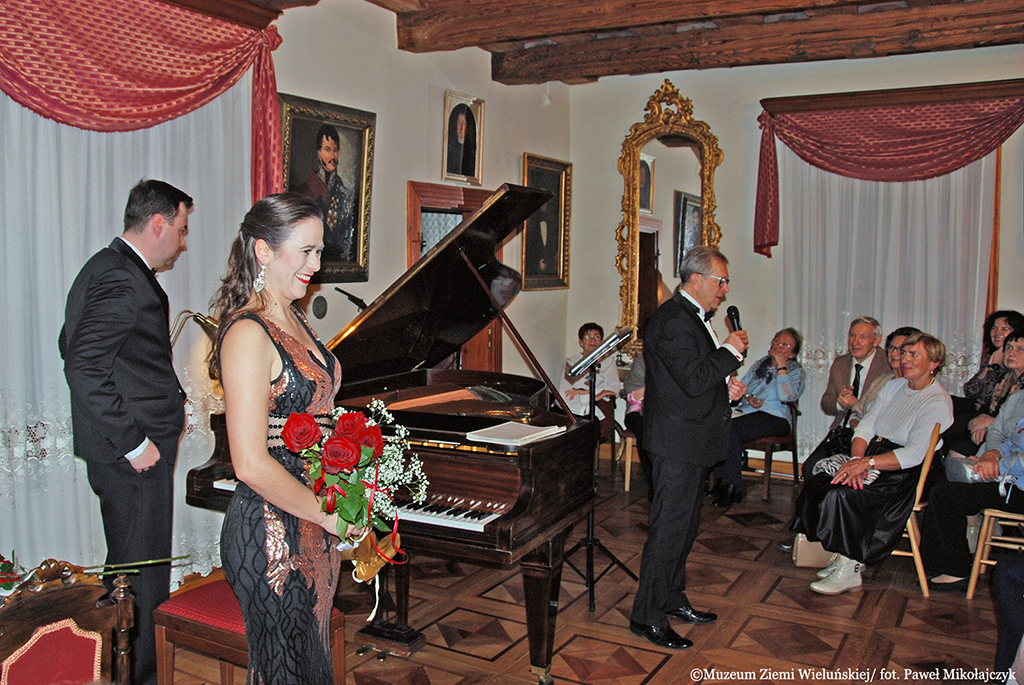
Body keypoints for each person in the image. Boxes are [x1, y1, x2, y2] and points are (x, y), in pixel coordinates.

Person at [208, 194, 359, 683]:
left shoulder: (295, 317)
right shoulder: (248, 333)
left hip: (311, 522)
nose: (316, 265)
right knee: (286, 671)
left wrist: (347, 489)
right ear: (264, 250)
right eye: (306, 251)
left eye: (320, 252)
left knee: (311, 663)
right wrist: (328, 515)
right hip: (272, 533)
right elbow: (250, 463)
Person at [59, 179, 193, 685]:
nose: (183, 242)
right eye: (181, 229)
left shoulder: (103, 266)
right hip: (133, 457)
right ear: (158, 223)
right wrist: (133, 442)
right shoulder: (122, 277)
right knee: (143, 578)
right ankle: (137, 678)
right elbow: (83, 364)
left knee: (126, 572)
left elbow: (69, 343)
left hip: (122, 453)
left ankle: (114, 671)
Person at [629, 246, 748, 649]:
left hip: (692, 439)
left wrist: (725, 388)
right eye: (721, 281)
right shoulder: (673, 321)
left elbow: (692, 381)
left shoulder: (691, 317)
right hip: (676, 443)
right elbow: (694, 379)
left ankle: (671, 598)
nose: (725, 290)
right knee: (668, 532)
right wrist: (729, 352)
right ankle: (647, 617)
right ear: (696, 279)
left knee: (685, 528)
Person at [793, 332, 953, 595]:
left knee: (846, 494)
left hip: (903, 471)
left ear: (934, 363)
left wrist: (867, 464)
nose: (905, 359)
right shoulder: (893, 386)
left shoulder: (937, 401)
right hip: (873, 455)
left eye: (914, 354)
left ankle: (850, 567)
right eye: (904, 353)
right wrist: (857, 460)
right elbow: (865, 427)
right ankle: (844, 557)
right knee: (822, 480)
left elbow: (914, 454)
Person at [920, 339, 1024, 592]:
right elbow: (1003, 435)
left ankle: (955, 570)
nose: (1013, 352)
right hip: (1007, 478)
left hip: (1017, 486)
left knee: (947, 496)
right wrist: (992, 455)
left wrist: (998, 465)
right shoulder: (1019, 397)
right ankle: (934, 565)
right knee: (942, 488)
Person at [709, 328, 805, 508]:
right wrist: (748, 398)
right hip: (749, 413)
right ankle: (720, 481)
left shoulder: (795, 371)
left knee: (732, 429)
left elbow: (787, 396)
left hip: (776, 417)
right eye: (776, 341)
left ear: (792, 353)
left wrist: (781, 366)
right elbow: (742, 390)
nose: (778, 346)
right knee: (718, 423)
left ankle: (732, 486)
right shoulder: (760, 366)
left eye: (785, 345)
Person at [943, 310, 1024, 455]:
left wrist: (990, 423)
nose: (1012, 353)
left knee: (957, 439)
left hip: (1007, 436)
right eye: (1009, 348)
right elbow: (972, 392)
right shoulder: (1005, 376)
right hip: (986, 417)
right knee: (947, 405)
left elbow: (1013, 422)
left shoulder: (1016, 384)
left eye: (1004, 329)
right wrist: (991, 364)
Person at [819, 316, 890, 433]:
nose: (855, 342)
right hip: (842, 432)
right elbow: (826, 402)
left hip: (873, 433)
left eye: (863, 337)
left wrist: (857, 405)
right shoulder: (840, 363)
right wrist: (840, 403)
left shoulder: (888, 365)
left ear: (876, 341)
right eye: (852, 336)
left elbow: (889, 411)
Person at [303, 123, 356, 264]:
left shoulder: (343, 193)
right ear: (319, 152)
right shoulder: (306, 191)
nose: (332, 156)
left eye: (335, 150)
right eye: (327, 150)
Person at [559, 322, 621, 442]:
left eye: (597, 336)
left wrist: (587, 393)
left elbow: (615, 389)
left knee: (590, 427)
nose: (592, 340)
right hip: (574, 405)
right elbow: (564, 392)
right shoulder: (571, 363)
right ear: (581, 342)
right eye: (588, 337)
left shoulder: (608, 362)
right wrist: (591, 394)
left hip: (597, 405)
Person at [446, 104, 476, 177]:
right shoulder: (451, 148)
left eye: (464, 123)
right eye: (459, 123)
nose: (461, 128)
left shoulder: (471, 150)